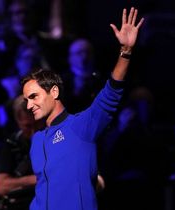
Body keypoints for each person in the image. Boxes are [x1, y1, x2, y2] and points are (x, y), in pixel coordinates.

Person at [21, 7, 144, 210]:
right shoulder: (37, 140)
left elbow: (111, 92)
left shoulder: (81, 126)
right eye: (26, 99)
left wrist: (126, 51)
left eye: (33, 96)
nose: (28, 104)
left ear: (53, 92)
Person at [0, 95, 39, 210]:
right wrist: (38, 179)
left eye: (38, 124)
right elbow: (2, 186)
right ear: (18, 123)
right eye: (28, 126)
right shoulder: (12, 143)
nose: (34, 133)